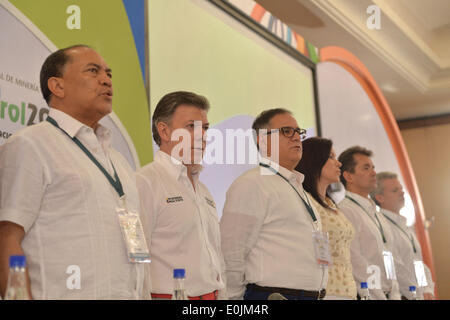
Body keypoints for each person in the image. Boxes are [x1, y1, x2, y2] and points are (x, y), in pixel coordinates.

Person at [0, 45, 150, 299]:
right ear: (57, 87)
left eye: (109, 74)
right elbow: (6, 237)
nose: (106, 80)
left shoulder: (119, 161)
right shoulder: (31, 145)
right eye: (93, 71)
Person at [220, 108, 328, 300]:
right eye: (287, 131)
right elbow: (232, 253)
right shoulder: (252, 183)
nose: (296, 138)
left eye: (298, 131)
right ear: (262, 140)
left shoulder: (296, 185)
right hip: (273, 296)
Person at [136, 91, 227, 300]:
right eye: (191, 127)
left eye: (205, 128)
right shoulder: (144, 182)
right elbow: (135, 262)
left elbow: (216, 259)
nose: (202, 135)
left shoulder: (204, 190)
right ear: (164, 131)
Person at [296, 137, 357, 300]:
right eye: (331, 157)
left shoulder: (331, 203)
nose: (338, 163)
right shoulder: (305, 201)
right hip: (324, 291)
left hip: (347, 290)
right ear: (314, 160)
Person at [337, 146, 401, 300]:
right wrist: (378, 296)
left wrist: (394, 293)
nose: (374, 173)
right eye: (366, 168)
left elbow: (389, 257)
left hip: (389, 294)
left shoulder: (376, 214)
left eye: (373, 167)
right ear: (348, 176)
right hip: (367, 295)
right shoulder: (346, 210)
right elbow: (356, 262)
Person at [370, 172, 435, 300]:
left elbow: (417, 263)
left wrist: (426, 289)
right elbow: (395, 266)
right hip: (402, 294)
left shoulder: (405, 226)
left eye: (401, 189)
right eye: (395, 190)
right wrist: (416, 291)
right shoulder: (382, 225)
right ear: (380, 198)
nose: (402, 193)